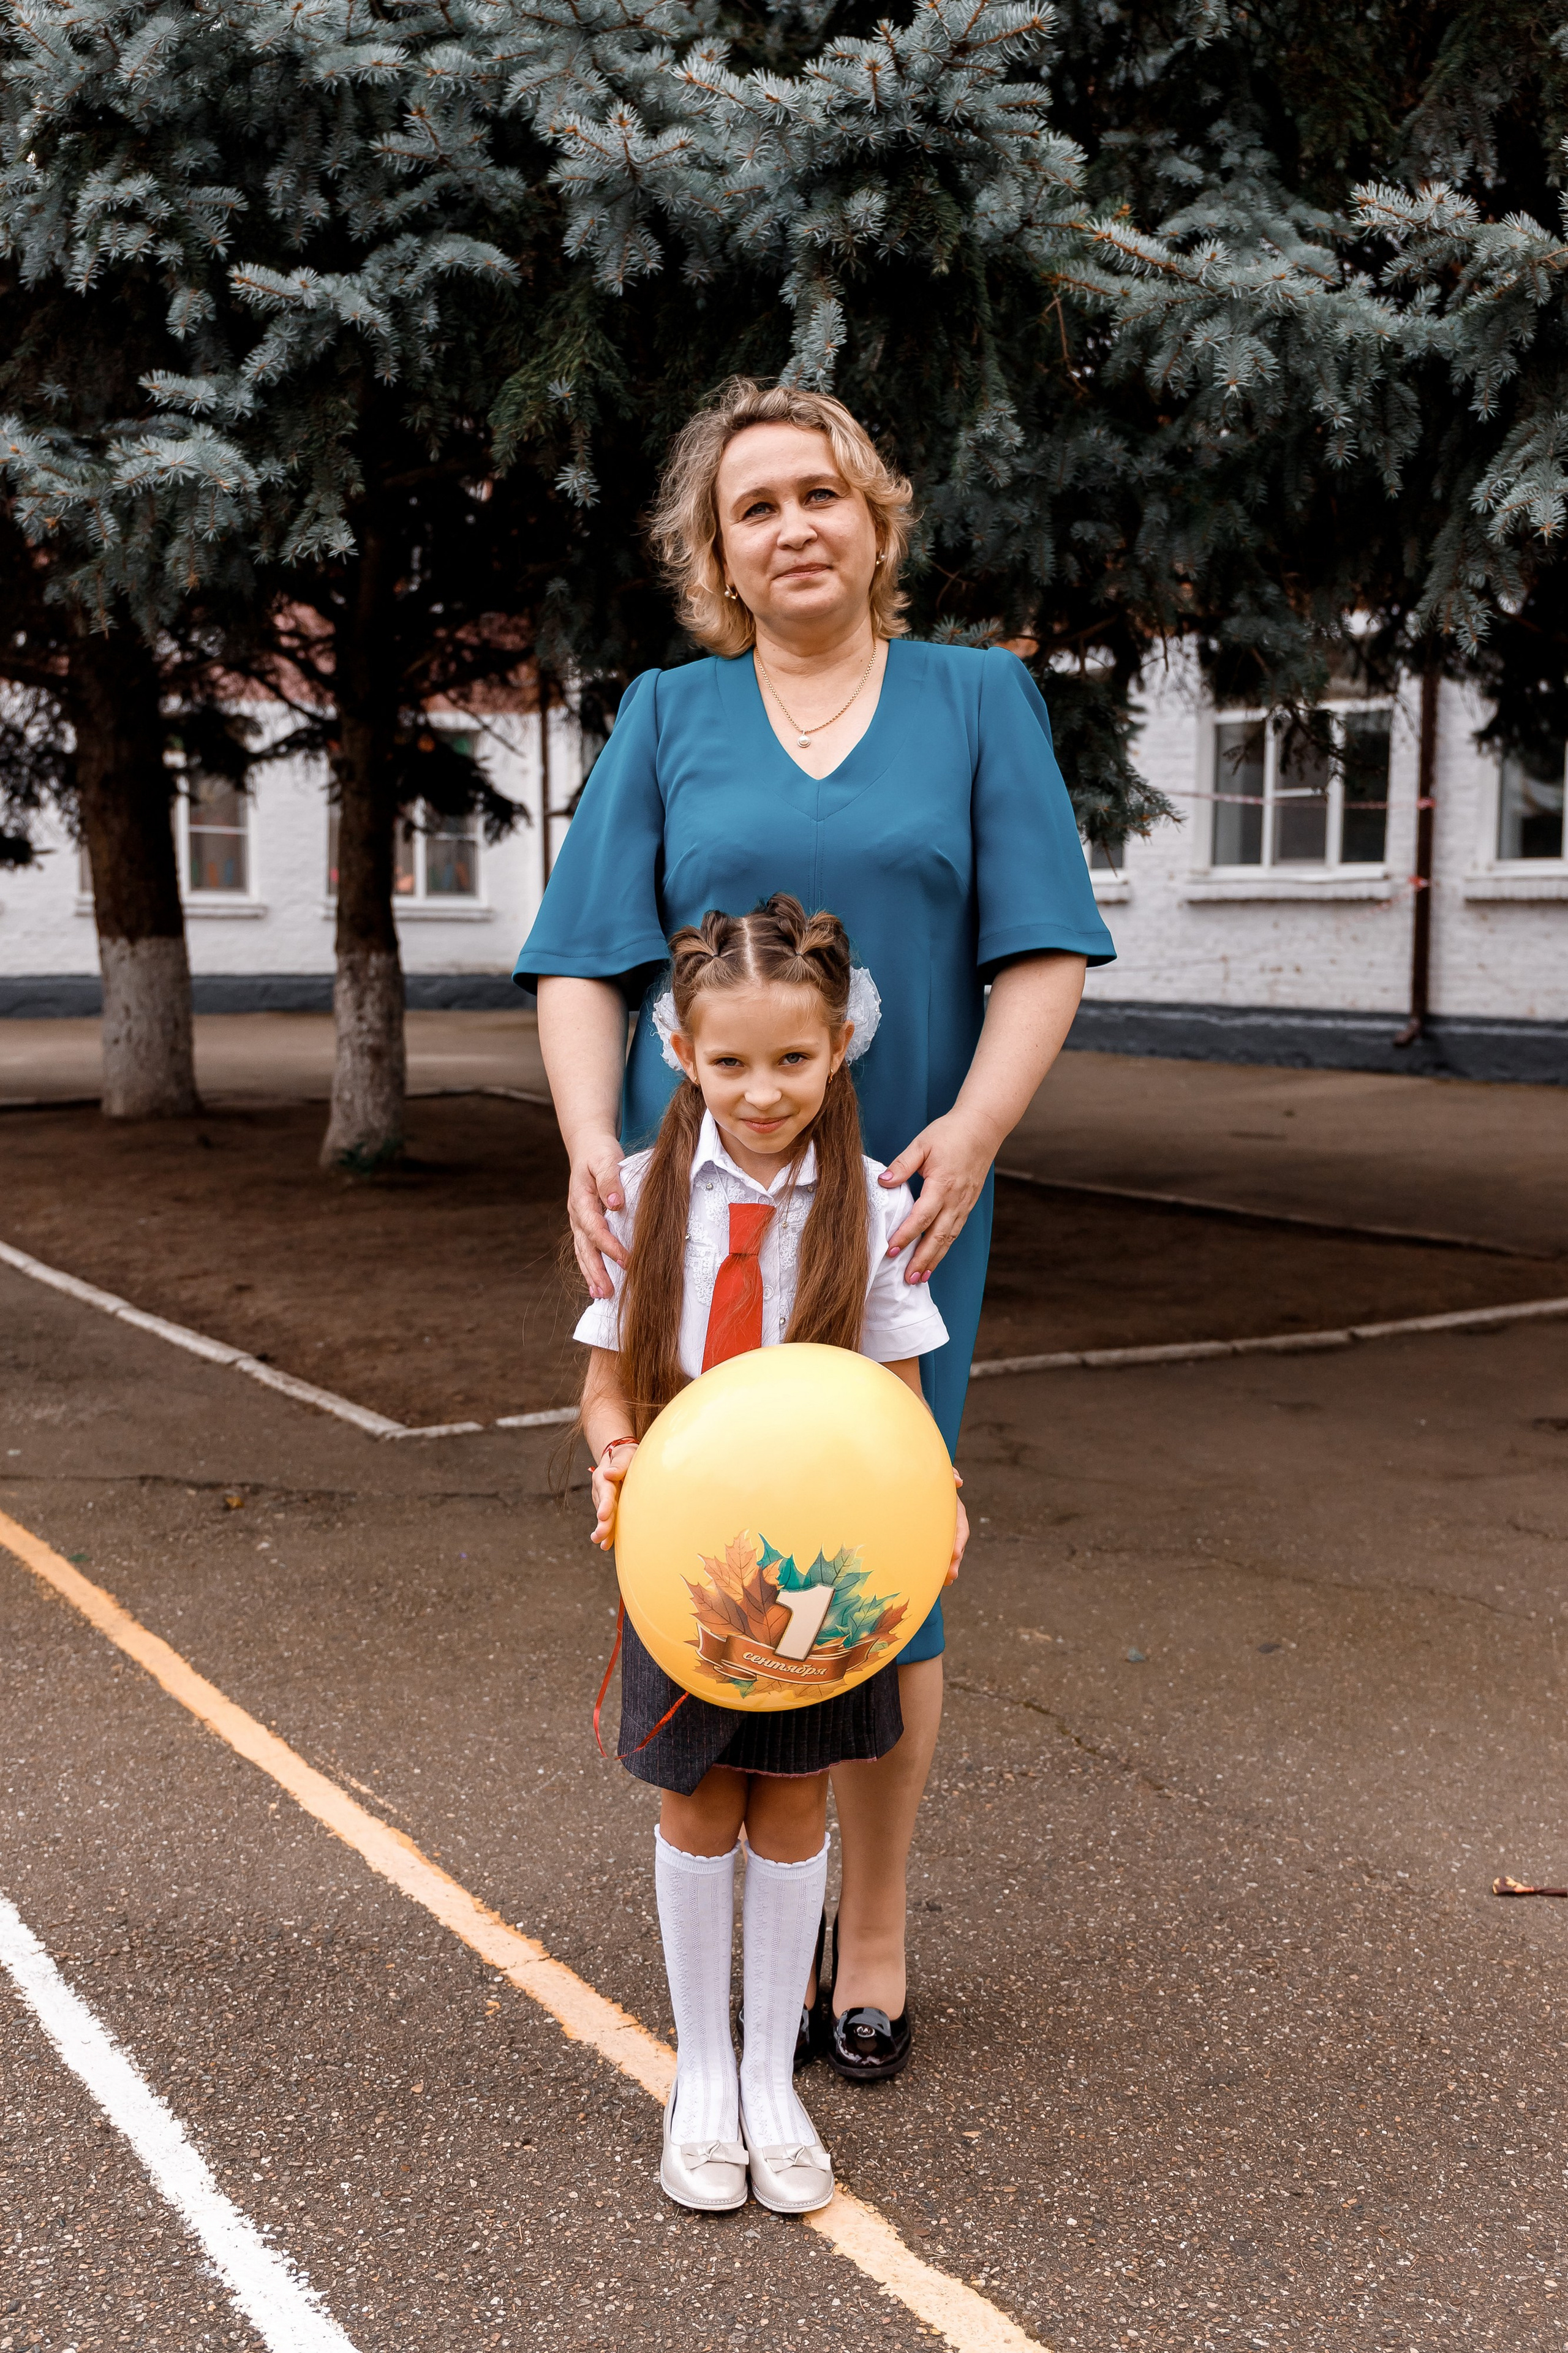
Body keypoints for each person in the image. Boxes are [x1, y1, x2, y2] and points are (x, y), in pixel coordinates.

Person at [518, 376, 1115, 2078]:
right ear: (717, 549)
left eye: (821, 494)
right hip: (705, 1216)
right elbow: (583, 959)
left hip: (900, 1219)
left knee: (887, 1567)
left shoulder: (979, 699)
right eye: (755, 505)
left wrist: (977, 1137)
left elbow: (1044, 949)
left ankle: (873, 1927)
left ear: (879, 517)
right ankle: (752, 1907)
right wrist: (588, 1145)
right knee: (720, 1558)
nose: (793, 527)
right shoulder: (667, 714)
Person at [578, 896, 964, 2213]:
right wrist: (613, 1453)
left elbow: (903, 1407)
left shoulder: (868, 1203)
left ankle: (767, 2078)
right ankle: (698, 2075)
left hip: (822, 1563)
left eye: (792, 1060)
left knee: (793, 1802)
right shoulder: (635, 1196)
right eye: (729, 1062)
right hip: (685, 1552)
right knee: (697, 1799)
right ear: (679, 1054)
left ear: (840, 1046)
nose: (761, 1090)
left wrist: (940, 1501)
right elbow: (599, 1391)